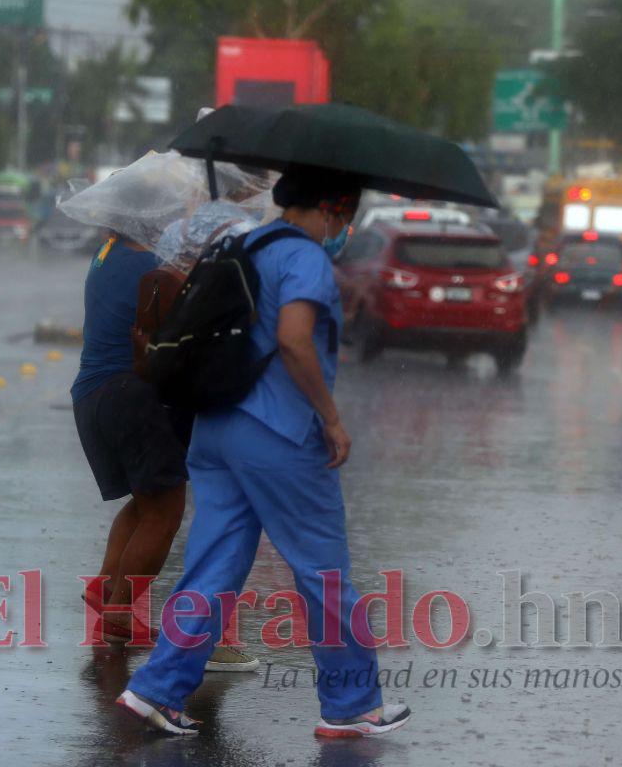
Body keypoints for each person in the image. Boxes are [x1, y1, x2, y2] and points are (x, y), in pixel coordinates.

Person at [117, 166, 412, 737]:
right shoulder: (304, 258)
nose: (344, 227)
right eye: (345, 216)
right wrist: (330, 417)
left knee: (215, 562)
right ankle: (352, 704)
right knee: (323, 571)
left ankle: (157, 689)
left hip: (217, 428)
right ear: (331, 209)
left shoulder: (239, 243)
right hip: (278, 433)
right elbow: (295, 339)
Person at [71, 229, 257, 672]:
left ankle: (106, 590)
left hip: (92, 394)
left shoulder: (105, 254)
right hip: (130, 395)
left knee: (145, 502)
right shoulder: (152, 266)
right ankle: (118, 615)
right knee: (163, 513)